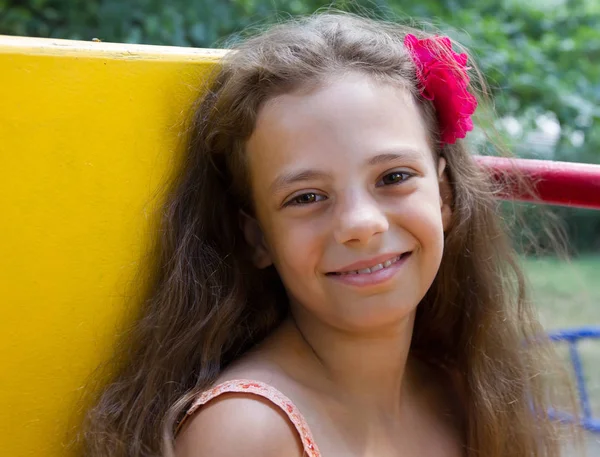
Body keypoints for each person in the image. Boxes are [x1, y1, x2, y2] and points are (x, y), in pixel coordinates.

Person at [80, 11, 577, 457]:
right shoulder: (246, 433)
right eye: (306, 197)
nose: (362, 224)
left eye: (394, 177)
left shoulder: (459, 388)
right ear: (256, 238)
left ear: (444, 196)